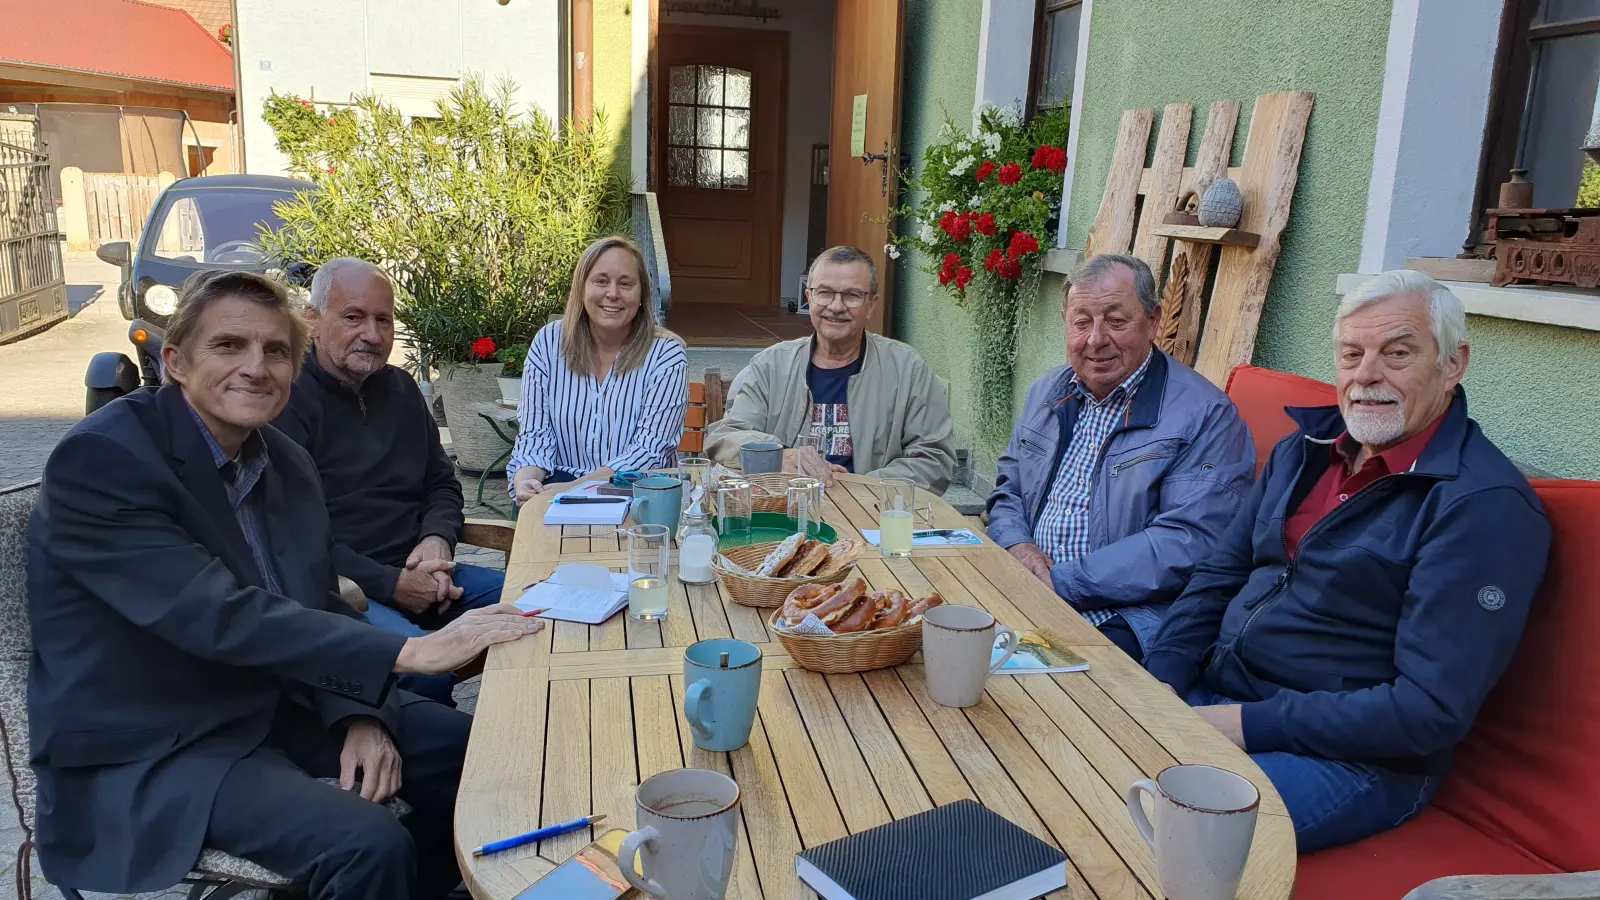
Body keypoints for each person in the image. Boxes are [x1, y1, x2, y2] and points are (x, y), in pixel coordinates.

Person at [26, 269, 543, 899]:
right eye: (228, 345)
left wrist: (358, 713)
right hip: (161, 743)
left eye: (275, 350)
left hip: (273, 703)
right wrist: (411, 651)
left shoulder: (283, 460)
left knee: (486, 756)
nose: (255, 367)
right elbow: (215, 613)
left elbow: (317, 600)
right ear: (175, 362)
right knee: (368, 843)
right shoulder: (103, 460)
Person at [1142, 270, 1551, 852]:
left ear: (1453, 364)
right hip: (1219, 693)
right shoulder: (1304, 450)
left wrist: (1243, 725)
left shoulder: (1481, 507)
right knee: (1066, 742)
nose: (1366, 376)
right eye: (1352, 354)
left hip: (1355, 759)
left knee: (1157, 829)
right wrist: (1160, 678)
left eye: (1398, 354)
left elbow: (1428, 711)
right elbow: (1218, 577)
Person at [986, 254, 1255, 661]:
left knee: (1026, 684)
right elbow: (1009, 489)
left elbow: (1189, 542)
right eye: (1081, 322)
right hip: (1029, 587)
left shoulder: (1206, 415)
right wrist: (1017, 546)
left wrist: (1062, 581)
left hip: (1130, 614)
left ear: (1154, 321)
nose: (1095, 339)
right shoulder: (1047, 392)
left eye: (1115, 321)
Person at [276, 258, 505, 706]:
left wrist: (437, 541)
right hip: (347, 592)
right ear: (312, 319)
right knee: (424, 675)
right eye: (354, 317)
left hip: (429, 575)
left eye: (383, 320)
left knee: (537, 610)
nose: (372, 334)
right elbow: (295, 538)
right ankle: (442, 746)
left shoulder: (401, 389)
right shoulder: (286, 402)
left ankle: (529, 730)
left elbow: (442, 483)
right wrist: (392, 583)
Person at [705, 246, 957, 493]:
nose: (836, 306)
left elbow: (934, 459)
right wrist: (779, 456)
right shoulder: (771, 365)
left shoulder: (908, 370)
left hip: (872, 511)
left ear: (871, 305)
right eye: (824, 293)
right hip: (784, 508)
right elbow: (725, 438)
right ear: (809, 298)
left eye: (852, 295)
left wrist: (857, 488)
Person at [509, 236, 688, 505]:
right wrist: (526, 481)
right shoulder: (549, 342)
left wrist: (574, 488)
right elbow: (535, 435)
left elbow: (649, 452)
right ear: (581, 288)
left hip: (636, 495)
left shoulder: (666, 354)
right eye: (601, 281)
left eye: (625, 284)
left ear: (642, 295)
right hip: (554, 488)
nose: (613, 293)